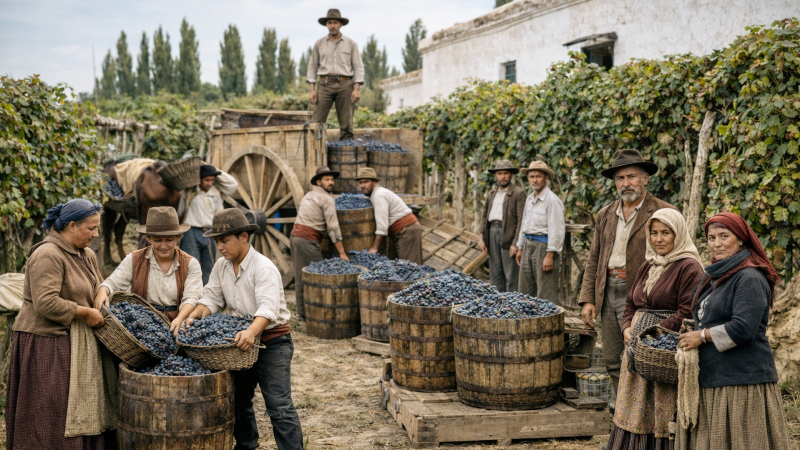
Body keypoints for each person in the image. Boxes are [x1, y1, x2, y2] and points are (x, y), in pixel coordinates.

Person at [171, 208, 303, 450]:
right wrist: (194, 316)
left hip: (272, 341)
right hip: (239, 343)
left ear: (244, 237)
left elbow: (267, 309)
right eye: (217, 241)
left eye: (225, 240)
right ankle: (246, 446)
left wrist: (252, 332)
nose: (220, 247)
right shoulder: (222, 266)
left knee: (279, 406)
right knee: (238, 401)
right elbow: (211, 299)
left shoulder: (263, 267)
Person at [6, 199, 118, 449]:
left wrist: (101, 292)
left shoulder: (86, 253)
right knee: (52, 409)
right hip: (47, 343)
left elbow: (96, 284)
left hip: (76, 341)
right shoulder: (47, 254)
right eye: (91, 228)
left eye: (97, 227)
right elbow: (46, 303)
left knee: (81, 406)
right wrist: (87, 313)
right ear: (71, 226)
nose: (96, 234)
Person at [676, 212, 790, 450]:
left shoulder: (749, 276)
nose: (716, 243)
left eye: (723, 236)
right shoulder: (715, 275)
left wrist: (702, 336)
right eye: (711, 237)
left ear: (740, 239)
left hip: (742, 381)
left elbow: (743, 328)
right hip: (715, 376)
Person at [578, 149, 677, 395]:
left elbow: (675, 257)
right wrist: (589, 299)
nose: (626, 184)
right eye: (620, 179)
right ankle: (620, 413)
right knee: (612, 356)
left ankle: (638, 416)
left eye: (631, 177)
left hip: (641, 293)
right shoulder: (606, 214)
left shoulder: (662, 212)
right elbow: (594, 259)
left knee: (639, 353)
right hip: (608, 289)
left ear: (645, 178)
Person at [605, 208, 703, 450]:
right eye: (654, 233)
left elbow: (687, 312)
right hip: (639, 346)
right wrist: (627, 327)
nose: (658, 239)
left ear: (678, 234)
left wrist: (651, 332)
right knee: (635, 405)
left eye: (666, 233)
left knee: (659, 406)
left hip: (663, 350)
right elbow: (631, 302)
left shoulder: (689, 267)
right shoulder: (648, 265)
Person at [94, 206, 203, 321]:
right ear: (149, 238)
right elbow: (113, 282)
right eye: (157, 240)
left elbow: (192, 297)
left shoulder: (190, 264)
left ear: (178, 238)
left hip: (179, 319)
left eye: (169, 240)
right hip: (144, 322)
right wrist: (102, 291)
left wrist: (179, 319)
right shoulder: (134, 259)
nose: (164, 246)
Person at [290, 166, 349, 322]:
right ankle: (317, 315)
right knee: (318, 276)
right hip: (307, 239)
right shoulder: (327, 200)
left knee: (300, 276)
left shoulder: (308, 196)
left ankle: (301, 315)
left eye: (332, 179)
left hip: (295, 236)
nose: (331, 183)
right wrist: (342, 253)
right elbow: (333, 228)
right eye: (326, 180)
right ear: (318, 181)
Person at [307, 8, 365, 141]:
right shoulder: (319, 44)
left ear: (341, 24)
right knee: (316, 122)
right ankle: (315, 155)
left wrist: (356, 89)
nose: (332, 26)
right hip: (324, 85)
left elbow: (358, 67)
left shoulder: (351, 44)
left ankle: (346, 155)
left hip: (345, 84)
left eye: (335, 23)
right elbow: (312, 67)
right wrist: (311, 90)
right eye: (330, 23)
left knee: (346, 124)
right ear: (326, 25)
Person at [178, 164, 238, 285]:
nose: (209, 183)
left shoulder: (215, 192)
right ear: (199, 179)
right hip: (191, 232)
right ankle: (189, 296)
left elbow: (220, 214)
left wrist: (212, 167)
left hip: (210, 232)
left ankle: (206, 297)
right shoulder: (190, 191)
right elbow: (180, 211)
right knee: (189, 266)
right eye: (207, 180)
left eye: (212, 180)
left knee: (209, 267)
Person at [515, 161, 565, 303]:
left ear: (546, 178)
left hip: (543, 248)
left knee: (546, 291)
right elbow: (524, 223)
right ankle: (526, 322)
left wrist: (550, 254)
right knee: (525, 289)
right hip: (528, 245)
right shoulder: (530, 199)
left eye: (538, 176)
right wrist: (520, 247)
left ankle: (548, 323)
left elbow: (557, 229)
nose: (534, 180)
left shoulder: (552, 200)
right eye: (531, 176)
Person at [355, 167, 423, 264]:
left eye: (366, 182)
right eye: (360, 182)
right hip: (399, 231)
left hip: (407, 230)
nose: (362, 185)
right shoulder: (375, 194)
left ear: (374, 182)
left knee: (410, 268)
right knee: (395, 266)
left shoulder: (379, 195)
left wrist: (375, 247)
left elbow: (382, 226)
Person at [479, 160, 526, 292]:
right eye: (499, 173)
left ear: (511, 175)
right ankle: (497, 303)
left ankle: (512, 304)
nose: (503, 177)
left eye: (506, 173)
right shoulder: (492, 193)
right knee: (495, 271)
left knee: (511, 273)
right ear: (496, 176)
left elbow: (522, 220)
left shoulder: (518, 193)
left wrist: (516, 242)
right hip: (492, 231)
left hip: (509, 233)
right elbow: (484, 217)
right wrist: (481, 236)